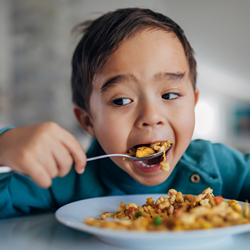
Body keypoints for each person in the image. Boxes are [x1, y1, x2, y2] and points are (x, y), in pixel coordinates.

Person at [0, 8, 249, 219]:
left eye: (170, 95)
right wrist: (3, 147)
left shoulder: (216, 166)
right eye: (121, 100)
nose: (151, 117)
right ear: (88, 121)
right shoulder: (63, 179)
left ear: (193, 103)